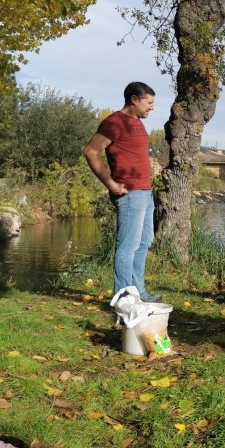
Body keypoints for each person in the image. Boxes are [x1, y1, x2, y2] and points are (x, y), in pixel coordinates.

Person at [83, 82, 161, 302]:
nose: (152, 108)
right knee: (128, 246)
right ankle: (125, 299)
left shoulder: (137, 121)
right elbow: (91, 151)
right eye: (149, 102)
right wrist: (111, 184)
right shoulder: (115, 122)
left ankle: (139, 292)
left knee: (144, 242)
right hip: (130, 194)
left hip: (145, 192)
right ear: (134, 99)